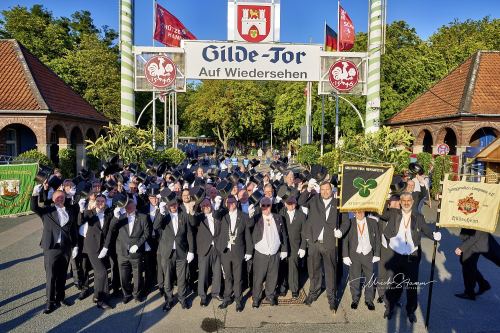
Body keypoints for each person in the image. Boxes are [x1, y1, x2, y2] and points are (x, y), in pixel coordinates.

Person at [381, 192, 442, 323]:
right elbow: (379, 212)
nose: (406, 203)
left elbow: (425, 229)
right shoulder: (393, 213)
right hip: (396, 254)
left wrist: (433, 235)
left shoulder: (418, 217)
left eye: (409, 200)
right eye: (404, 200)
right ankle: (390, 307)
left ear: (413, 202)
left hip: (412, 256)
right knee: (394, 284)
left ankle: (410, 311)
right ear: (400, 202)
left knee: (411, 286)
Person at [299, 181, 349, 310]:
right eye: (323, 190)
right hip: (314, 242)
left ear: (331, 190)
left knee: (330, 272)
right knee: (313, 271)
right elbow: (301, 202)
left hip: (330, 243)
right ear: (320, 190)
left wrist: (341, 231)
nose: (325, 192)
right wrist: (308, 189)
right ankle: (313, 293)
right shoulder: (314, 200)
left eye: (327, 189)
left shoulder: (338, 203)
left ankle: (332, 298)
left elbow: (346, 222)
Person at [31, 184, 79, 314]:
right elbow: (34, 207)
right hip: (51, 247)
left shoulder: (70, 210)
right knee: (51, 276)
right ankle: (50, 302)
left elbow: (73, 229)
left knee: (62, 275)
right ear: (53, 199)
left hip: (66, 248)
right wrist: (35, 193)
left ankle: (60, 298)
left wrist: (75, 245)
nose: (60, 199)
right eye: (57, 198)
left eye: (62, 197)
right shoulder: (47, 211)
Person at [154, 196, 194, 311]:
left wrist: (191, 250)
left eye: (175, 204)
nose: (173, 207)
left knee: (182, 279)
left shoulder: (184, 215)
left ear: (177, 204)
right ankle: (169, 300)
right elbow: (155, 226)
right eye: (171, 205)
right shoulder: (164, 215)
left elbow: (189, 234)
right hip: (167, 253)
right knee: (168, 278)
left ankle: (182, 299)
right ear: (167, 206)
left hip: (181, 252)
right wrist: (161, 213)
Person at [107, 199, 151, 304]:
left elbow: (147, 233)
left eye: (131, 207)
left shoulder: (143, 217)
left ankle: (137, 294)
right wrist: (115, 217)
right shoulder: (120, 217)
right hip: (122, 251)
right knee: (124, 275)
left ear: (135, 206)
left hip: (136, 251)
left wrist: (137, 244)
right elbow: (111, 229)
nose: (129, 209)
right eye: (127, 207)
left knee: (137, 274)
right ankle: (126, 294)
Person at [217, 195, 253, 311]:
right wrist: (217, 206)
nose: (230, 204)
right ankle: (227, 298)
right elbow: (214, 215)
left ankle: (238, 300)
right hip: (226, 251)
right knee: (227, 276)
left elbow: (248, 233)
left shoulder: (243, 216)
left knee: (238, 278)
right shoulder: (224, 216)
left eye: (233, 202)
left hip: (238, 251)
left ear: (236, 203)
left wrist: (249, 251)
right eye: (228, 202)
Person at [251, 197, 289, 308]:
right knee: (258, 278)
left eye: (268, 205)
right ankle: (256, 298)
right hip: (261, 253)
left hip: (274, 253)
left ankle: (270, 295)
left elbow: (284, 235)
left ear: (271, 206)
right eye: (263, 205)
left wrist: (284, 249)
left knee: (273, 276)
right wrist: (249, 215)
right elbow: (248, 225)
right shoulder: (256, 218)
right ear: (260, 206)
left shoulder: (278, 218)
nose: (266, 208)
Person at [80, 194, 113, 309]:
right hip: (92, 247)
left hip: (103, 247)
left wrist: (106, 247)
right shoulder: (90, 213)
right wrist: (83, 210)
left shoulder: (108, 213)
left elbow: (109, 231)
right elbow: (81, 220)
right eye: (98, 201)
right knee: (102, 272)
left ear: (105, 202)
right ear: (95, 202)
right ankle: (101, 299)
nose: (100, 203)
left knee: (99, 273)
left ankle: (96, 295)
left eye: (102, 201)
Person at [342, 211, 380, 311]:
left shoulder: (372, 222)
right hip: (354, 255)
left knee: (370, 278)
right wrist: (345, 255)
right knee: (354, 278)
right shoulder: (349, 222)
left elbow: (377, 239)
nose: (360, 213)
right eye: (358, 211)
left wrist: (377, 254)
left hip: (368, 254)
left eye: (362, 211)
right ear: (354, 212)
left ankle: (369, 300)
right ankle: (355, 299)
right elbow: (345, 240)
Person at [454, 228, 500, 300]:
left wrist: (462, 248)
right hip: (474, 239)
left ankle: (474, 290)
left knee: (467, 262)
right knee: (466, 262)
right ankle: (481, 285)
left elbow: (477, 234)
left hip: (480, 240)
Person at [194, 198, 224, 307]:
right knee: (203, 274)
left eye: (207, 204)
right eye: (203, 205)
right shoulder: (199, 217)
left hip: (217, 248)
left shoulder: (217, 215)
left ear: (211, 205)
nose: (205, 207)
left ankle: (216, 292)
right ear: (201, 207)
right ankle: (203, 296)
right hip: (204, 249)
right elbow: (193, 220)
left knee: (217, 273)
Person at [277, 196, 307, 298]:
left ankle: (294, 289)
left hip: (295, 245)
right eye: (289, 203)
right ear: (285, 204)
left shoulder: (301, 215)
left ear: (295, 204)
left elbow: (304, 233)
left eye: (293, 203)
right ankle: (282, 287)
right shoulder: (281, 214)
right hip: (283, 245)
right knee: (282, 266)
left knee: (293, 267)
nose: (291, 205)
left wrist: (303, 247)